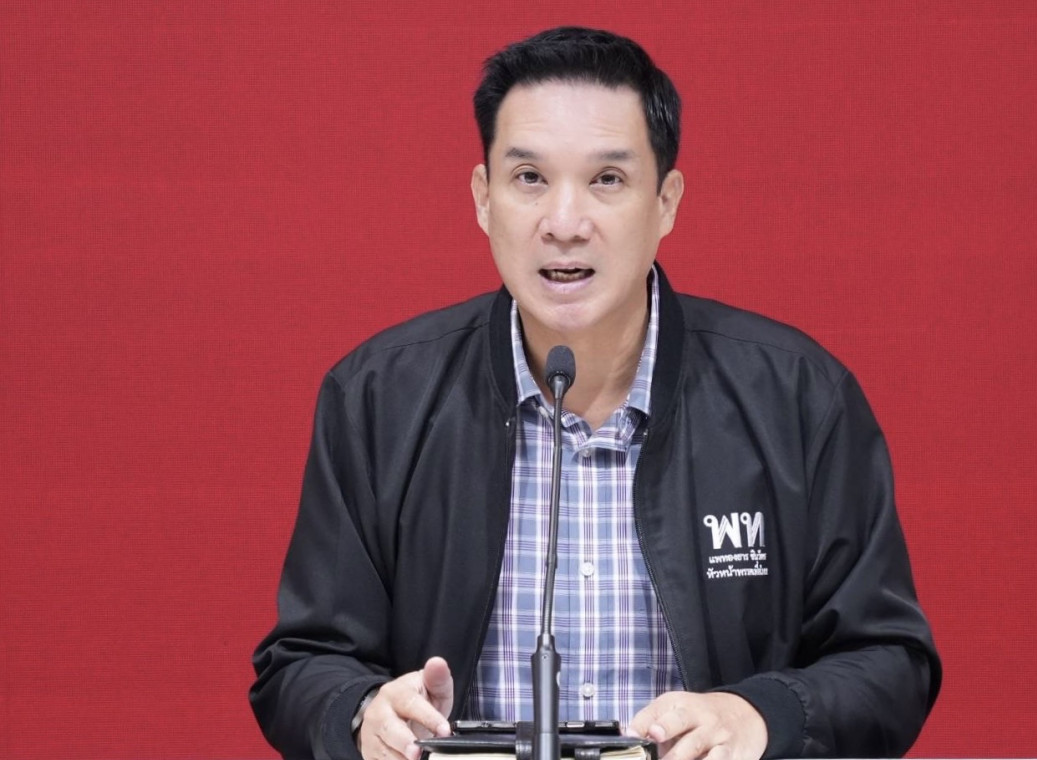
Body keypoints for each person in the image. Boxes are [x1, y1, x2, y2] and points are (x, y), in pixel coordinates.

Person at [251, 26, 941, 760]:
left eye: (607, 180)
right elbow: (301, 664)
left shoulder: (799, 398)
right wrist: (364, 714)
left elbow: (890, 663)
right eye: (529, 178)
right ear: (483, 199)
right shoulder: (376, 400)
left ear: (666, 201)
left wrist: (759, 716)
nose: (564, 224)